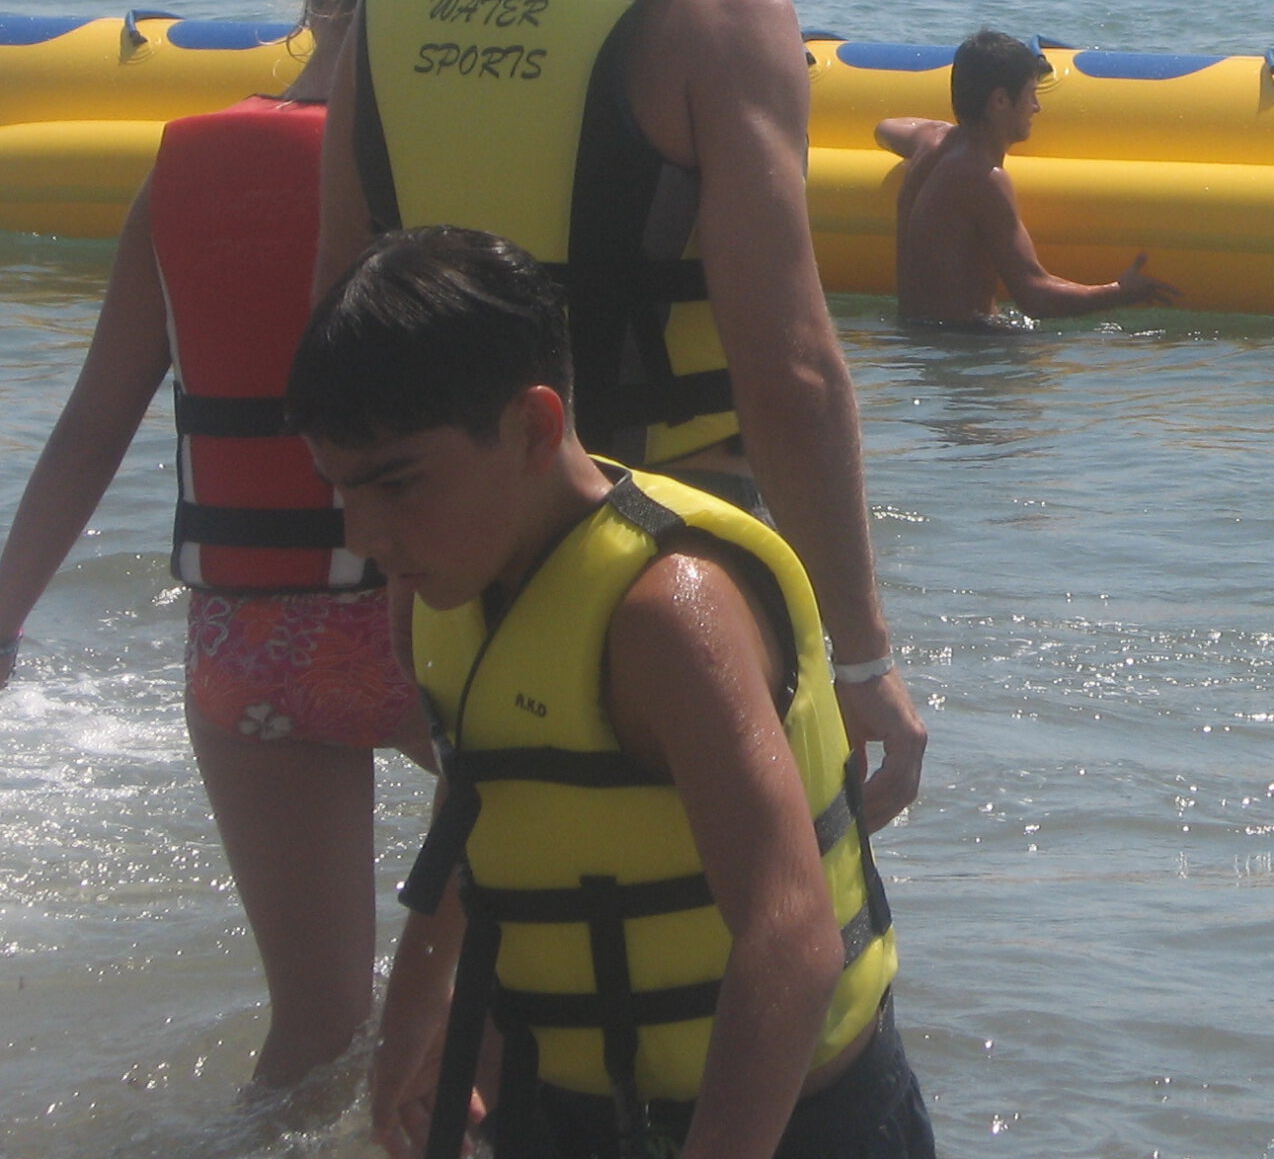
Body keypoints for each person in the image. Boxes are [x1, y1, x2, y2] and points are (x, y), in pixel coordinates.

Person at [317, 0, 926, 828]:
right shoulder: (720, 8)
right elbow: (790, 369)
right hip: (670, 570)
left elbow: (341, 291)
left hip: (454, 564)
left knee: (523, 901)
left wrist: (388, 561)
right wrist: (861, 660)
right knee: (737, 912)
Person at [287, 227, 931, 1159]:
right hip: (568, 1113)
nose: (364, 535)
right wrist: (409, 1037)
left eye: (398, 484)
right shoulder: (435, 592)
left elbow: (791, 940)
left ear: (534, 428)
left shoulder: (668, 616)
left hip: (792, 1122)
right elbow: (479, 818)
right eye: (341, 491)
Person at [0, 0, 468, 1091]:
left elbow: (93, 424)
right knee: (525, 993)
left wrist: (5, 613)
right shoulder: (442, 173)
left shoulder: (185, 170)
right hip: (427, 633)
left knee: (313, 1038)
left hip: (251, 652)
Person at [874, 28, 1178, 330]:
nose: (1036, 107)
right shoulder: (984, 178)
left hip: (915, 331)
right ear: (1000, 100)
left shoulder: (929, 141)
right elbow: (1035, 297)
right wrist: (1121, 293)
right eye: (1031, 94)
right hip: (963, 342)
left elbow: (884, 128)